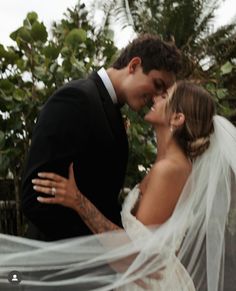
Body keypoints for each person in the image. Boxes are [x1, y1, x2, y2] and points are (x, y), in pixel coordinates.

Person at [15, 80, 234, 291]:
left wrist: (77, 200)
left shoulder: (170, 169)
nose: (156, 97)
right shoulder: (170, 165)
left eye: (165, 96)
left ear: (177, 118)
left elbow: (134, 255)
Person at [21, 34, 181, 241]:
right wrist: (95, 250)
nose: (156, 97)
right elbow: (35, 198)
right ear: (133, 65)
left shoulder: (109, 108)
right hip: (58, 260)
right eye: (157, 84)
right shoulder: (75, 99)